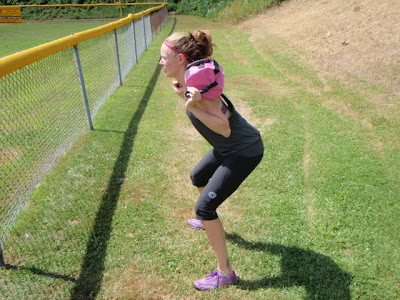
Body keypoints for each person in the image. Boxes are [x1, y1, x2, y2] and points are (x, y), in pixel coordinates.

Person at [159, 30, 264, 291]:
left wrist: (192, 104)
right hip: (228, 147)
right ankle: (208, 219)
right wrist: (183, 93)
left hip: (243, 150)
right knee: (198, 177)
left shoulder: (201, 87)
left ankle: (225, 273)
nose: (161, 63)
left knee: (205, 208)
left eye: (164, 58)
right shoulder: (192, 83)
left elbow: (224, 127)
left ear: (181, 60)